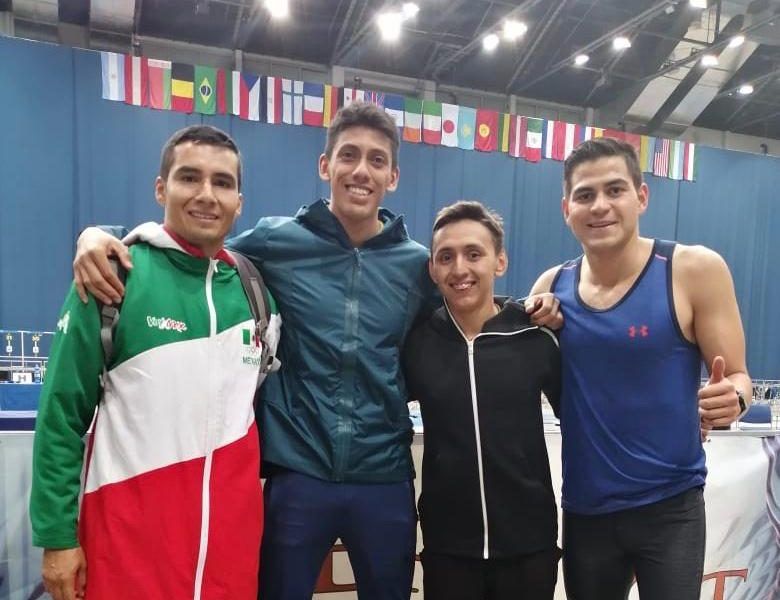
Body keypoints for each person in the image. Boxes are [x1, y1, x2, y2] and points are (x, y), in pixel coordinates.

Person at [71, 102, 561, 599]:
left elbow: (470, 301)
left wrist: (530, 308)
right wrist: (102, 237)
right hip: (299, 474)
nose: (361, 170)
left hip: (383, 476)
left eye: (376, 159)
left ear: (393, 176)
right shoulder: (276, 241)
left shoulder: (417, 265)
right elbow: (197, 246)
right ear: (325, 165)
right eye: (349, 155)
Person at [30, 125, 281, 600]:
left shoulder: (254, 294)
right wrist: (57, 537)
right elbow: (61, 415)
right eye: (189, 178)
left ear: (239, 203)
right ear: (161, 189)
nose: (206, 194)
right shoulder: (111, 279)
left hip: (229, 560)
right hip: (127, 556)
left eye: (222, 182)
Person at [529, 137, 752, 600]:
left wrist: (734, 399)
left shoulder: (694, 270)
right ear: (566, 209)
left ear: (642, 196)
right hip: (587, 512)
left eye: (615, 190)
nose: (600, 206)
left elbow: (738, 378)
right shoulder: (551, 289)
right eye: (585, 195)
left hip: (670, 508)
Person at [403, 201, 562, 600]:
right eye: (446, 257)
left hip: (530, 546)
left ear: (499, 262)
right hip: (448, 549)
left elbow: (587, 417)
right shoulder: (417, 343)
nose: (460, 269)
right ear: (432, 270)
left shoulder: (535, 335)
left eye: (474, 254)